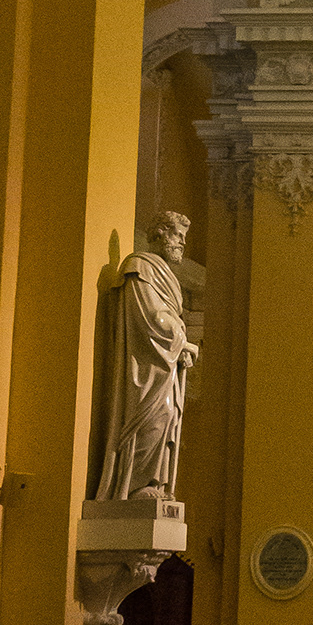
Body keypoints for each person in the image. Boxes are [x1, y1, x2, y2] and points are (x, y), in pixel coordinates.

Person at [93, 211, 196, 502]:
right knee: (156, 416)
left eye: (184, 238)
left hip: (165, 365)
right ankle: (135, 486)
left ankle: (154, 483)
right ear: (159, 234)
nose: (182, 243)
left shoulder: (166, 278)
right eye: (177, 235)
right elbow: (151, 318)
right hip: (146, 367)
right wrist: (183, 342)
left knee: (169, 416)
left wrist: (181, 345)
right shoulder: (139, 267)